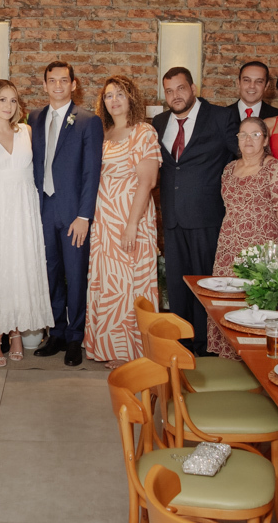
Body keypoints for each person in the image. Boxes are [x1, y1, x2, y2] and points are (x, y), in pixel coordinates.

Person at [152, 66, 238, 356]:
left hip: (206, 216)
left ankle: (205, 346)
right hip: (173, 218)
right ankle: (182, 344)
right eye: (169, 91)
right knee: (177, 285)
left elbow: (241, 158)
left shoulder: (221, 117)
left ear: (193, 88)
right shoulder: (159, 121)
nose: (175, 95)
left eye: (180, 88)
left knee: (204, 285)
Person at [0, 80, 52, 366]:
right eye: (3, 100)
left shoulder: (26, 132)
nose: (8, 106)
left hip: (25, 211)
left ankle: (17, 333)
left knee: (22, 269)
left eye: (13, 100)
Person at [30, 61, 104, 367]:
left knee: (75, 277)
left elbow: (91, 172)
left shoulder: (88, 120)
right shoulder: (33, 118)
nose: (57, 85)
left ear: (74, 84)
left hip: (74, 213)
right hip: (41, 210)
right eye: (52, 80)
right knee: (49, 276)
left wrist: (84, 215)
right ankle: (57, 332)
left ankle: (76, 337)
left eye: (64, 80)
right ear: (45, 85)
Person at [84, 75, 160, 369]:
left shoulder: (143, 132)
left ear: (132, 98)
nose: (113, 101)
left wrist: (131, 225)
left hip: (131, 216)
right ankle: (104, 344)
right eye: (108, 96)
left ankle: (131, 350)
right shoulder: (103, 133)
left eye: (119, 95)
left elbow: (147, 181)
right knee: (108, 282)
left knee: (129, 283)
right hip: (104, 218)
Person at [212, 117, 278, 358]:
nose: (248, 140)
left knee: (256, 310)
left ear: (266, 139)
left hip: (261, 252)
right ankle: (229, 363)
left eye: (255, 134)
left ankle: (256, 363)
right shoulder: (229, 169)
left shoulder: (276, 168)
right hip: (229, 247)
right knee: (229, 306)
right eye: (243, 135)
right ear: (237, 139)